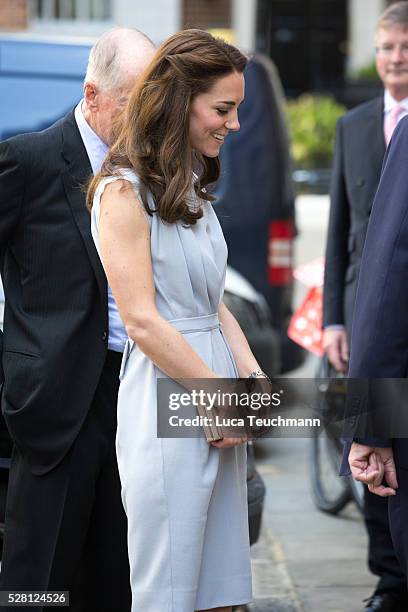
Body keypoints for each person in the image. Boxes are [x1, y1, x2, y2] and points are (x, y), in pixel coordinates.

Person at [87, 29, 261, 612]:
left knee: (223, 587)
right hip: (171, 390)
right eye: (223, 109)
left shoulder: (188, 188)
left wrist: (253, 378)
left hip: (213, 383)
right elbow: (140, 320)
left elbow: (211, 302)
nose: (233, 124)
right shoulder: (119, 191)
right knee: (170, 587)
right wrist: (218, 400)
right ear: (179, 101)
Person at [0, 28, 155, 611]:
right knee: (37, 582)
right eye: (131, 103)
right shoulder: (29, 161)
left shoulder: (154, 173)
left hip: (134, 396)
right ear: (93, 95)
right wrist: (12, 377)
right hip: (52, 405)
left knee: (118, 570)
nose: (145, 118)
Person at [324, 3, 408, 609]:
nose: (395, 59)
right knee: (371, 440)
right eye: (386, 48)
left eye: (404, 48)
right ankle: (387, 576)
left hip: (393, 314)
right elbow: (338, 228)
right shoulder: (354, 126)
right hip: (363, 312)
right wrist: (333, 316)